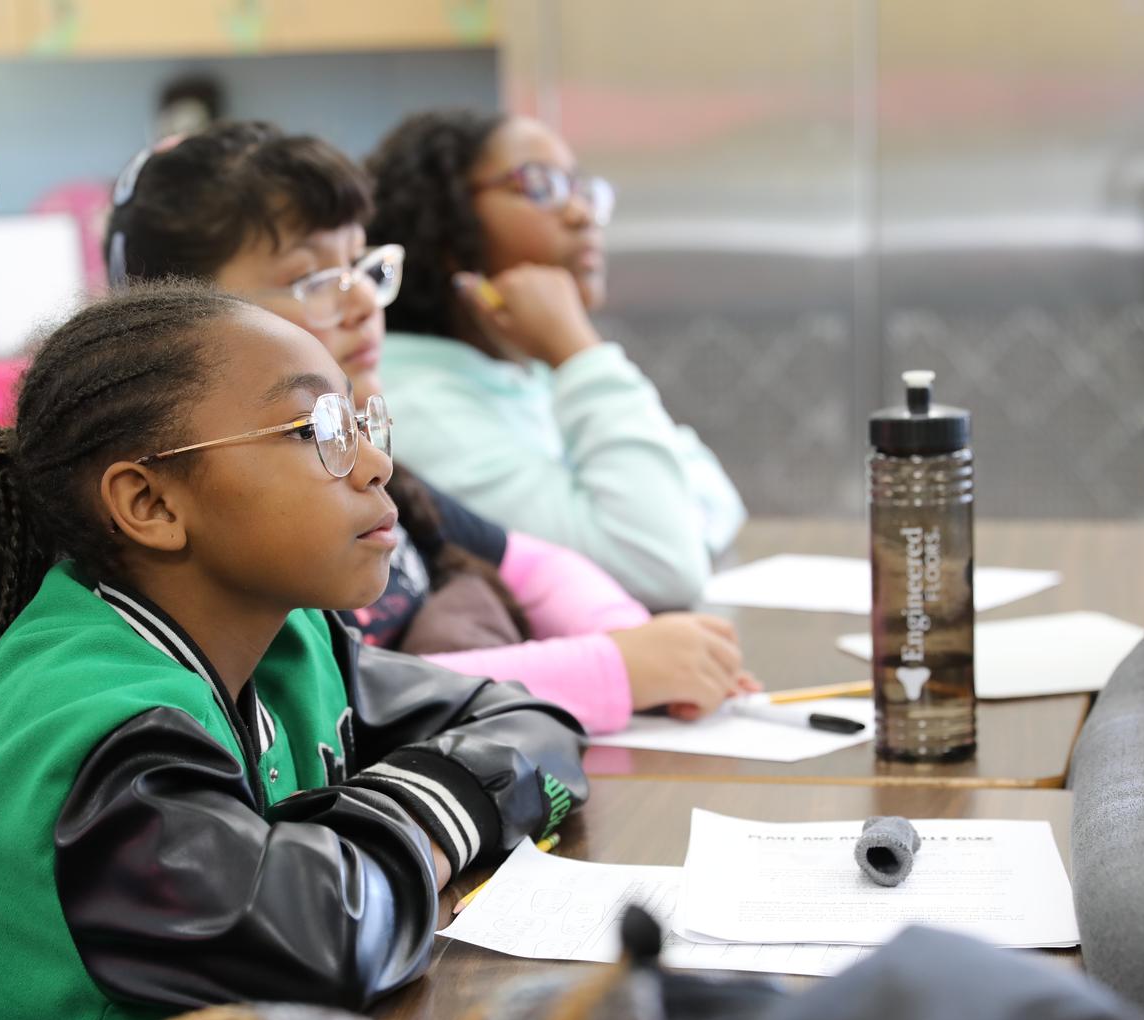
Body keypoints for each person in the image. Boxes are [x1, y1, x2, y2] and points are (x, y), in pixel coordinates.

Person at [0, 278, 589, 1020]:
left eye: (359, 422)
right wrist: (438, 806)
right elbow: (326, 940)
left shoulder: (286, 639)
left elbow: (534, 727)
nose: (376, 462)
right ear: (149, 502)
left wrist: (413, 821)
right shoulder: (93, 718)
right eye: (316, 428)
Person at [103, 121, 756, 731]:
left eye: (363, 265)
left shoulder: (369, 464)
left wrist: (634, 642)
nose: (361, 301)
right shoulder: (229, 504)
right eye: (310, 278)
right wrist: (616, 668)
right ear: (174, 322)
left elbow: (534, 563)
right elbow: (335, 698)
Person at [366, 110, 747, 611]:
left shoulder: (524, 369)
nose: (581, 214)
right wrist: (578, 351)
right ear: (445, 228)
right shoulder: (417, 405)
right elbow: (662, 568)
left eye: (581, 189)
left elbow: (718, 497)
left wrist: (570, 357)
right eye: (540, 185)